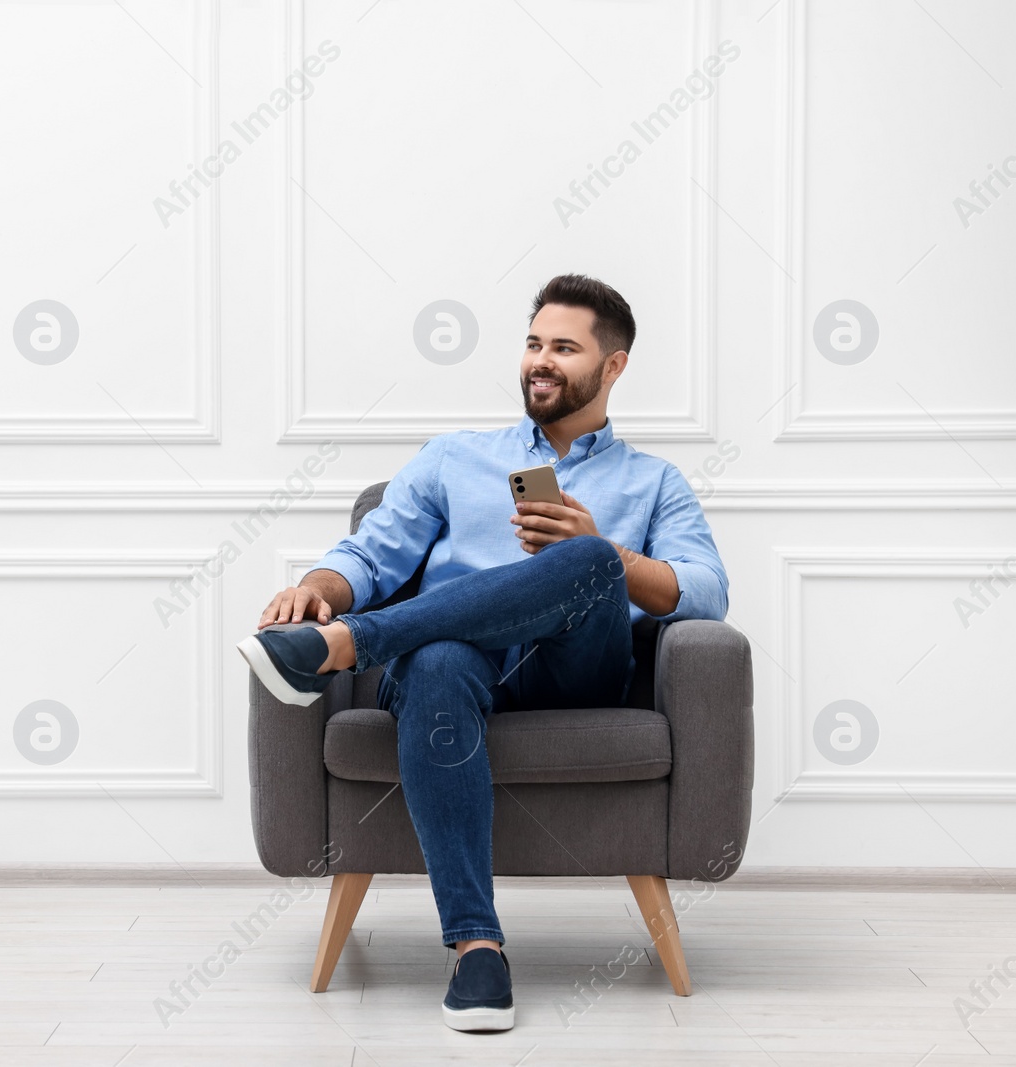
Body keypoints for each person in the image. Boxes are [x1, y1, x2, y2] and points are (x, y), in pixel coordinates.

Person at [236, 273, 729, 1032]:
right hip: (458, 671)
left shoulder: (654, 481)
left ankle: (344, 648)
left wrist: (608, 552)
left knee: (590, 559)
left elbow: (705, 592)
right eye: (534, 343)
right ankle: (475, 947)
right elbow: (370, 557)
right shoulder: (453, 457)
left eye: (564, 347)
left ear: (614, 366)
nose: (540, 360)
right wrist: (317, 588)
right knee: (434, 659)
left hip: (578, 674)